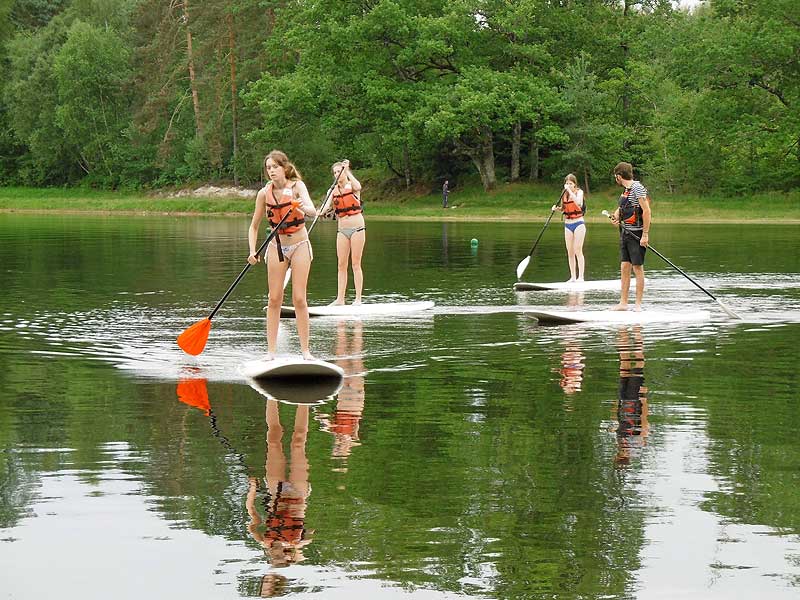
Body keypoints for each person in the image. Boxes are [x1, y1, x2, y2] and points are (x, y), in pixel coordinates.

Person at [248, 150, 317, 359]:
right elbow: (254, 226)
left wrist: (302, 206)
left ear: (284, 168)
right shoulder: (263, 194)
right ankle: (270, 352)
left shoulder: (297, 186)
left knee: (299, 299)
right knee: (274, 298)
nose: (271, 171)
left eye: (275, 167)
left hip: (300, 245)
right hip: (276, 247)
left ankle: (306, 351)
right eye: (268, 168)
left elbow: (313, 211)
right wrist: (252, 251)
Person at [246, 401, 314, 570]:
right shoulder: (296, 543)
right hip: (297, 495)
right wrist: (294, 549)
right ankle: (304, 398)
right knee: (298, 442)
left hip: (276, 492)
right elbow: (311, 534)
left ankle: (271, 396)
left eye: (272, 559)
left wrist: (253, 489)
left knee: (273, 440)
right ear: (286, 557)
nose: (275, 555)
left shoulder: (263, 540)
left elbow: (251, 512)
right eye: (279, 559)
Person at [322, 159, 365, 306]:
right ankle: (340, 299)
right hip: (342, 230)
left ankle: (358, 299)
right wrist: (313, 212)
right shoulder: (331, 191)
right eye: (334, 172)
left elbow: (358, 186)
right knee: (341, 264)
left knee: (356, 263)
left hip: (357, 228)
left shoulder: (353, 186)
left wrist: (347, 171)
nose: (337, 174)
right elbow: (324, 209)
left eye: (338, 171)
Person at [609, 162, 651, 311]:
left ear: (619, 176)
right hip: (625, 233)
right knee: (624, 266)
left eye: (616, 177)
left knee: (637, 267)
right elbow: (623, 207)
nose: (616, 179)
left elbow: (646, 211)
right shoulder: (626, 190)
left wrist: (645, 235)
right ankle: (623, 303)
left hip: (637, 234)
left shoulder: (637, 188)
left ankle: (638, 304)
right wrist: (616, 215)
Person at [613, 326, 649, 467]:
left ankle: (623, 336)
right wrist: (644, 398)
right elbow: (644, 421)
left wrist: (616, 402)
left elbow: (618, 420)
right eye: (622, 456)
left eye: (619, 455)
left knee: (623, 367)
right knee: (638, 366)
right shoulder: (637, 443)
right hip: (635, 400)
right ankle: (638, 335)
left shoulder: (619, 442)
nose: (621, 453)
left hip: (623, 399)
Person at [551, 173, 586, 282]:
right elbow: (564, 208)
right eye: (567, 183)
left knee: (577, 250)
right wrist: (556, 209)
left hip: (579, 223)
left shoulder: (579, 192)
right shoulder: (564, 194)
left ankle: (581, 277)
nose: (568, 185)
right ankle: (573, 277)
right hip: (568, 224)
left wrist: (570, 191)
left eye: (570, 183)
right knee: (570, 251)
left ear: (575, 185)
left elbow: (578, 203)